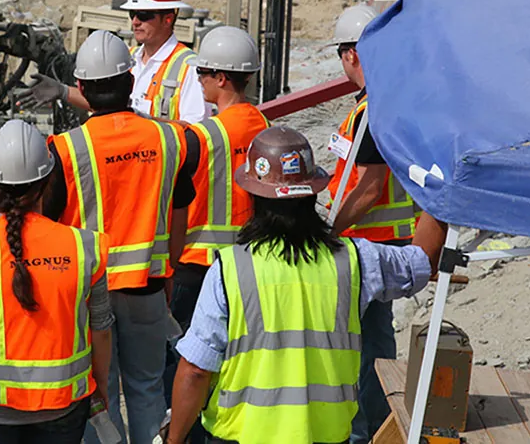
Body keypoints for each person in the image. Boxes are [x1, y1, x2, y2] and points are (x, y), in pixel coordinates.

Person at [167, 127, 440, 444]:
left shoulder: (230, 269)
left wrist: (174, 440)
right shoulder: (356, 260)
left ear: (253, 195)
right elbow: (422, 261)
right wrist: (440, 197)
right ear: (313, 193)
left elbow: (196, 371)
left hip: (242, 435)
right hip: (326, 435)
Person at [48, 30, 187, 444]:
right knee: (147, 390)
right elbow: (178, 215)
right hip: (148, 287)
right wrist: (169, 272)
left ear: (83, 89)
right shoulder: (168, 139)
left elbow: (50, 230)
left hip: (91, 295)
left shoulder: (65, 149)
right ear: (130, 83)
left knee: (98, 397)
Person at [0, 119, 113, 444]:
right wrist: (100, 385)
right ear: (47, 183)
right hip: (63, 407)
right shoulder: (84, 247)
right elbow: (100, 328)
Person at [162, 27, 270, 427]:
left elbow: (177, 209)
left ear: (222, 78)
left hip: (198, 267)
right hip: (252, 266)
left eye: (202, 72)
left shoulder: (200, 138)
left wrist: (171, 263)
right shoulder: (267, 128)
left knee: (189, 364)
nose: (197, 79)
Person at [327, 4, 422, 443]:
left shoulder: (373, 111)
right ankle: (378, 425)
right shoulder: (388, 102)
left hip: (367, 246)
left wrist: (327, 227)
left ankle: (366, 432)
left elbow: (367, 189)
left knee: (361, 347)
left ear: (351, 55)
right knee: (375, 342)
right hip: (384, 244)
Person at [18, 0, 208, 123]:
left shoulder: (189, 68)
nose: (135, 22)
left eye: (143, 14)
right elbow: (104, 103)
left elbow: (195, 132)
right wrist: (63, 91)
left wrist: (143, 121)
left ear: (168, 19)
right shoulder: (129, 58)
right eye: (132, 14)